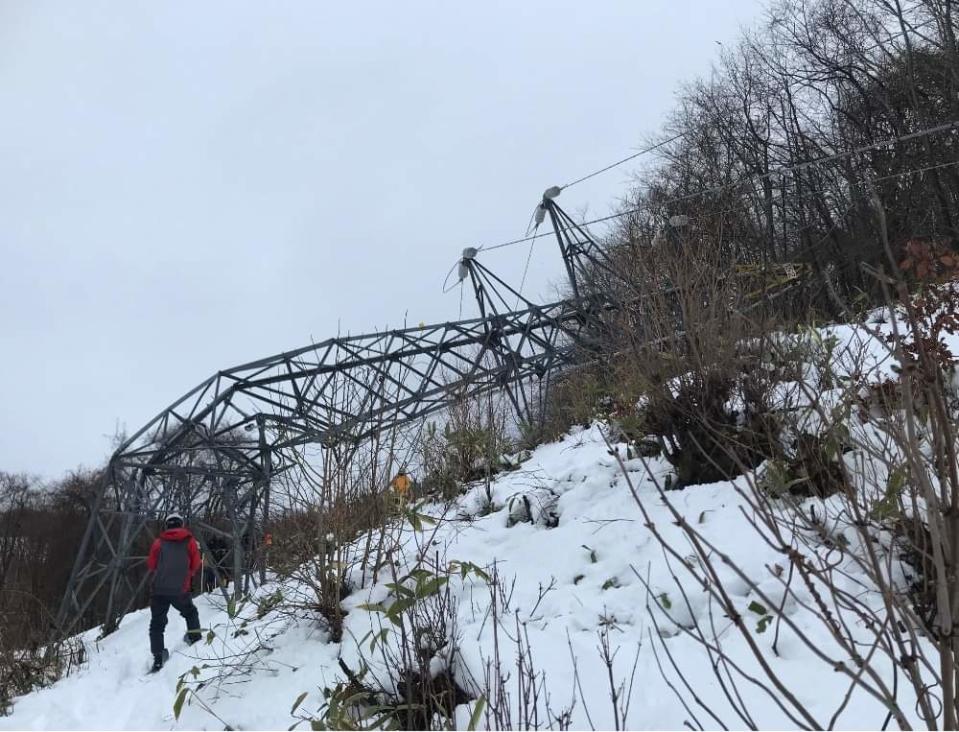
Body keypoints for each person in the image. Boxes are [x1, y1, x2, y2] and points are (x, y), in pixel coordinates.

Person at [147, 513, 202, 671]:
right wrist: (187, 575)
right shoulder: (190, 542)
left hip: (159, 589)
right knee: (190, 612)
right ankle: (195, 638)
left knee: (157, 623)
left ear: (167, 525)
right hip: (180, 589)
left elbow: (151, 565)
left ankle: (158, 658)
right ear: (181, 524)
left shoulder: (159, 543)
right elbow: (196, 563)